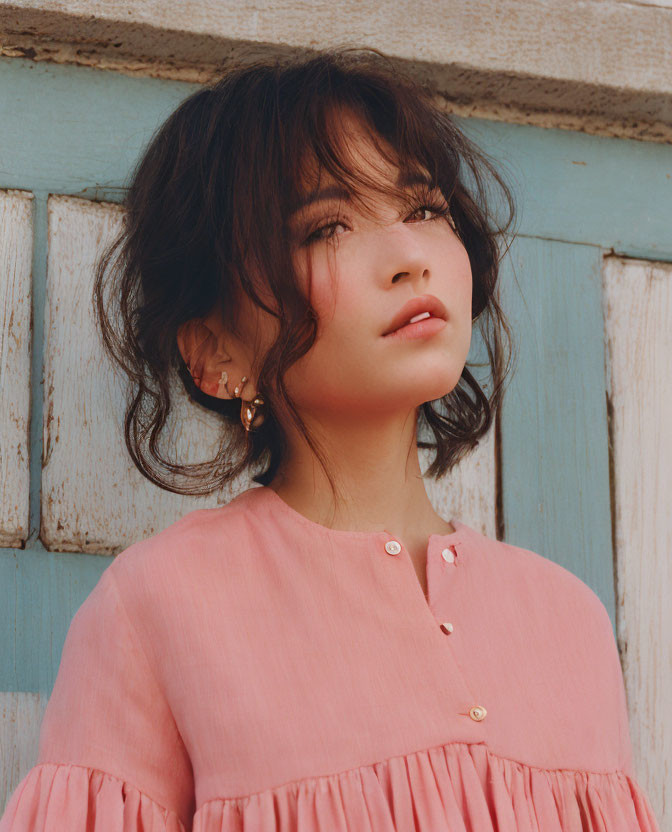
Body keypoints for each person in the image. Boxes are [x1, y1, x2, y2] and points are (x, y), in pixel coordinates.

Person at [0, 47, 661, 831]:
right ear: (215, 353)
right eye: (327, 227)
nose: (410, 258)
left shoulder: (569, 622)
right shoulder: (158, 608)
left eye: (424, 210)